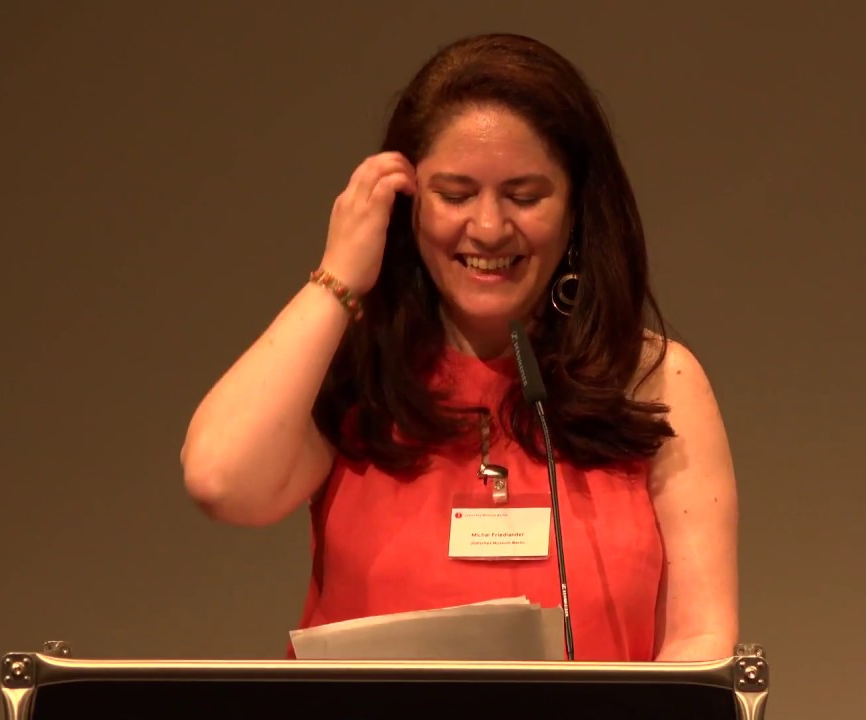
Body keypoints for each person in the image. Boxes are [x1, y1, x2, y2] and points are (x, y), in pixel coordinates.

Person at [181, 33, 738, 662]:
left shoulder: (655, 379)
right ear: (407, 204)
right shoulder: (357, 371)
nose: (490, 227)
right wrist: (339, 276)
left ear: (578, 209)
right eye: (455, 195)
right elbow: (220, 480)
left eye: (525, 197)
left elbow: (700, 642)